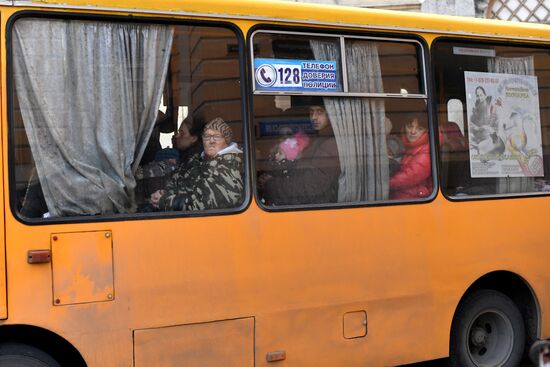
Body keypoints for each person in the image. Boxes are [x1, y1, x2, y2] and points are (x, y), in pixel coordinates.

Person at [150, 117, 244, 211]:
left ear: (226, 140)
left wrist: (165, 201)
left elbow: (208, 204)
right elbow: (183, 186)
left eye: (217, 137)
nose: (211, 141)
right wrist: (164, 194)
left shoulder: (230, 166)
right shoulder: (198, 160)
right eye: (207, 136)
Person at [259, 100, 340, 205]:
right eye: (311, 112)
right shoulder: (317, 139)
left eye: (320, 112)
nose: (314, 117)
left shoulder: (330, 144)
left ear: (330, 114)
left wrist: (271, 184)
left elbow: (311, 185)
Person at [389, 115, 432, 199]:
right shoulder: (404, 146)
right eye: (409, 127)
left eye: (419, 128)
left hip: (412, 199)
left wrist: (383, 183)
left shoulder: (426, 153)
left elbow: (408, 177)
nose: (413, 131)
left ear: (426, 131)